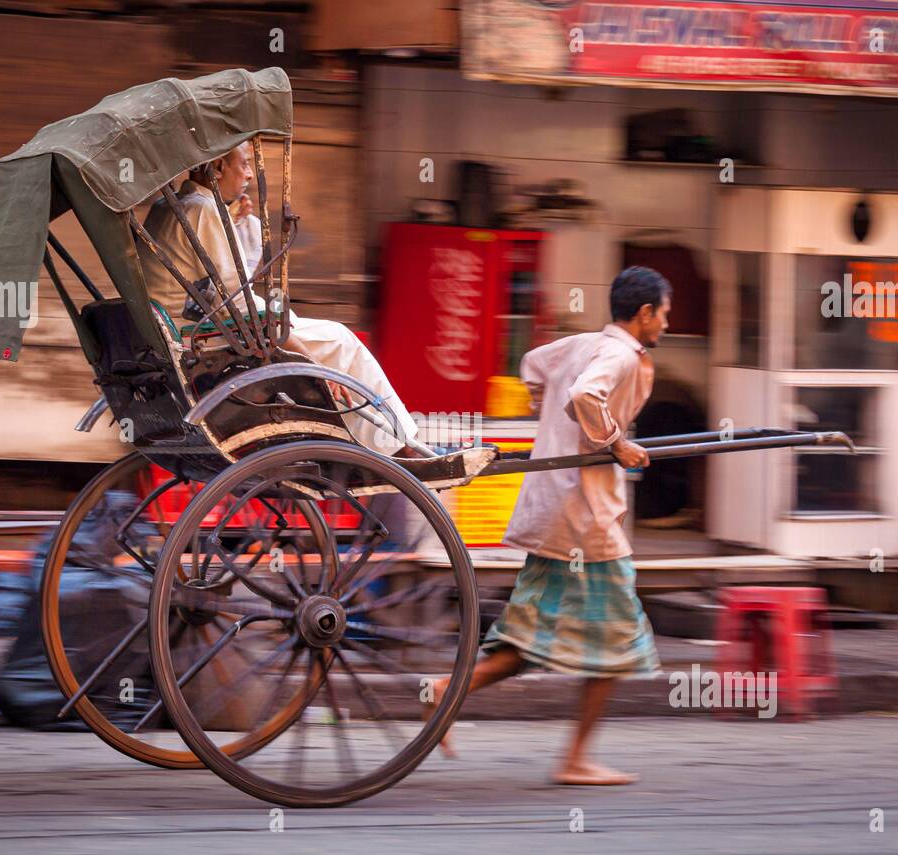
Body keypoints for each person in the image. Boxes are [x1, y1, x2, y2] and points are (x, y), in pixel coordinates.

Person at [427, 266, 671, 785]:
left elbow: (533, 364)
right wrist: (614, 442)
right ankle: (575, 759)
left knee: (527, 640)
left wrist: (553, 426)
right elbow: (586, 395)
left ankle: (444, 690)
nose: (666, 325)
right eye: (664, 313)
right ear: (645, 313)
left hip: (558, 511)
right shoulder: (621, 353)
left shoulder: (585, 342)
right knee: (619, 640)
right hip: (585, 518)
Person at [138, 143, 421, 455]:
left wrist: (233, 221)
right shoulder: (202, 211)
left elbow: (227, 282)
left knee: (323, 336)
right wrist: (310, 363)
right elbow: (239, 300)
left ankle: (384, 442)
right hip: (207, 341)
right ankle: (397, 445)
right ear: (218, 168)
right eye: (243, 164)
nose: (248, 174)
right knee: (342, 342)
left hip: (186, 334)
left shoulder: (174, 206)